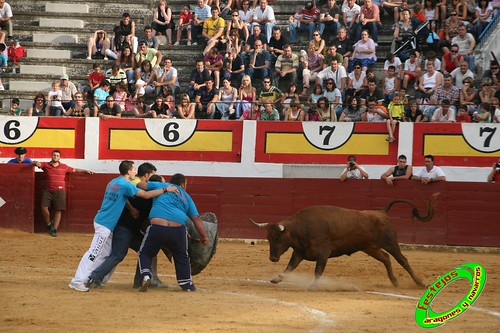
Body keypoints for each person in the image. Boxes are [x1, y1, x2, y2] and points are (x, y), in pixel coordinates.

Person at [68, 160, 176, 292]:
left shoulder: (113, 182)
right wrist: (165, 189)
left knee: (106, 254)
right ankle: (78, 281)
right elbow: (146, 195)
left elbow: (122, 199)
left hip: (105, 222)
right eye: (134, 169)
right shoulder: (126, 185)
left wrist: (131, 208)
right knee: (94, 253)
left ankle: (94, 278)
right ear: (129, 171)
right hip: (106, 224)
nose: (136, 172)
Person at [136, 173, 208, 292]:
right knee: (182, 257)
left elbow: (140, 185)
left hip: (157, 227)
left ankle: (146, 275)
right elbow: (196, 219)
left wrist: (162, 189)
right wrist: (204, 236)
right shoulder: (187, 196)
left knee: (145, 253)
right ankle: (187, 284)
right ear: (183, 185)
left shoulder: (162, 185)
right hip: (178, 230)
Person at [32, 150, 93, 237]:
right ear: (51, 156)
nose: (55, 157)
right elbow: (34, 162)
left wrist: (85, 171)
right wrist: (36, 162)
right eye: (54, 155)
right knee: (43, 207)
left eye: (57, 155)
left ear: (59, 157)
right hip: (48, 190)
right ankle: (49, 224)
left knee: (58, 210)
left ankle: (54, 229)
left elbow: (75, 170)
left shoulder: (64, 167)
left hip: (60, 191)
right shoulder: (45, 165)